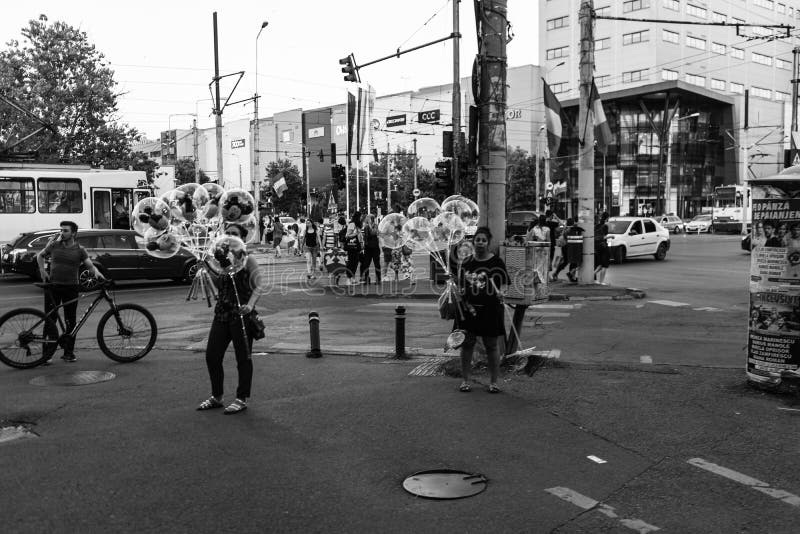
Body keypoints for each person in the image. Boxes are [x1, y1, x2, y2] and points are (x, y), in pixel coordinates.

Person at [197, 222, 264, 415]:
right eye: (227, 233)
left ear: (242, 238)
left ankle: (241, 398)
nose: (229, 236)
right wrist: (209, 268)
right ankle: (217, 396)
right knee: (212, 356)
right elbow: (221, 284)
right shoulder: (222, 259)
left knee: (243, 358)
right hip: (222, 313)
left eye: (234, 233)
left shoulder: (248, 259)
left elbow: (259, 285)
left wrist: (250, 305)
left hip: (241, 314)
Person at [36, 221, 106, 364]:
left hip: (71, 288)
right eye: (61, 230)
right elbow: (40, 256)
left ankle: (68, 353)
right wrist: (43, 271)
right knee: (50, 321)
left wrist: (99, 275)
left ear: (73, 233)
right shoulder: (54, 245)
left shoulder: (80, 250)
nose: (62, 232)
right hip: (53, 287)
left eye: (65, 230)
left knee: (70, 321)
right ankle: (46, 355)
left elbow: (90, 266)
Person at [455, 227, 510, 394]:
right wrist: (459, 290)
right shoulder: (466, 262)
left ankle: (494, 382)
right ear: (473, 242)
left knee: (491, 345)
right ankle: (465, 380)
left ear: (488, 242)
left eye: (483, 240)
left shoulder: (496, 263)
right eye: (477, 239)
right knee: (467, 344)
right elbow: (460, 284)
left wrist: (502, 293)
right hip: (468, 310)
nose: (480, 243)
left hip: (490, 310)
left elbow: (506, 283)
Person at [343, 212, 364, 285]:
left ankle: (352, 278)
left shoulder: (357, 225)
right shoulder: (352, 224)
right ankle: (348, 279)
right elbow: (347, 235)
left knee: (355, 262)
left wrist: (361, 245)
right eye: (361, 216)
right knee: (351, 262)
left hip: (357, 246)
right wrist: (356, 234)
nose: (362, 218)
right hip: (351, 246)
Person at [361, 214, 381, 284]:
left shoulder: (375, 225)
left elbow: (373, 233)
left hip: (375, 247)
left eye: (367, 218)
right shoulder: (365, 226)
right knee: (366, 264)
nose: (366, 219)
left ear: (371, 219)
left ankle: (378, 279)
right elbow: (364, 236)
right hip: (368, 247)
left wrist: (369, 225)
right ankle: (367, 279)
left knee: (377, 264)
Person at [594, 211, 610, 285]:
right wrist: (611, 236)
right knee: (605, 265)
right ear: (607, 218)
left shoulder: (597, 226)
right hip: (603, 246)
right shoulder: (605, 226)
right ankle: (601, 282)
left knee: (600, 264)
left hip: (597, 247)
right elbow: (604, 237)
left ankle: (591, 275)